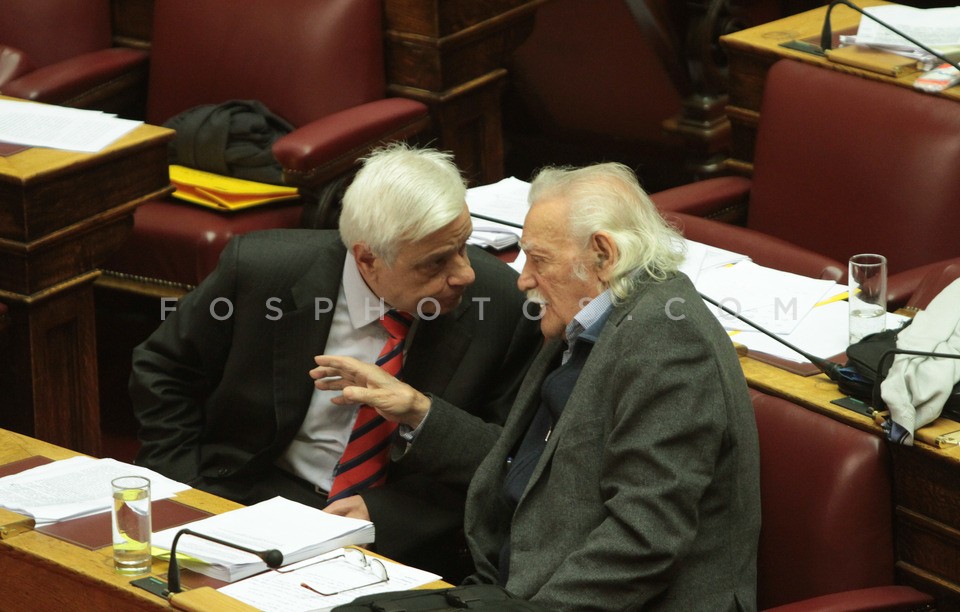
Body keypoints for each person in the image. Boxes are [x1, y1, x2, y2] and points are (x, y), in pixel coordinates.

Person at [313, 162, 761, 610]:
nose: (523, 279)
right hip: (512, 588)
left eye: (539, 259)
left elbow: (644, 539)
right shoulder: (582, 321)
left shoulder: (668, 343)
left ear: (602, 255)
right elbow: (517, 468)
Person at [129, 144, 541, 580]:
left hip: (400, 531)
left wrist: (394, 498)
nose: (464, 273)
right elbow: (163, 370)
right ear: (367, 258)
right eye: (437, 261)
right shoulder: (260, 270)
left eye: (463, 245)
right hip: (252, 499)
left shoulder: (502, 305)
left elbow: (513, 457)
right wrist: (190, 493)